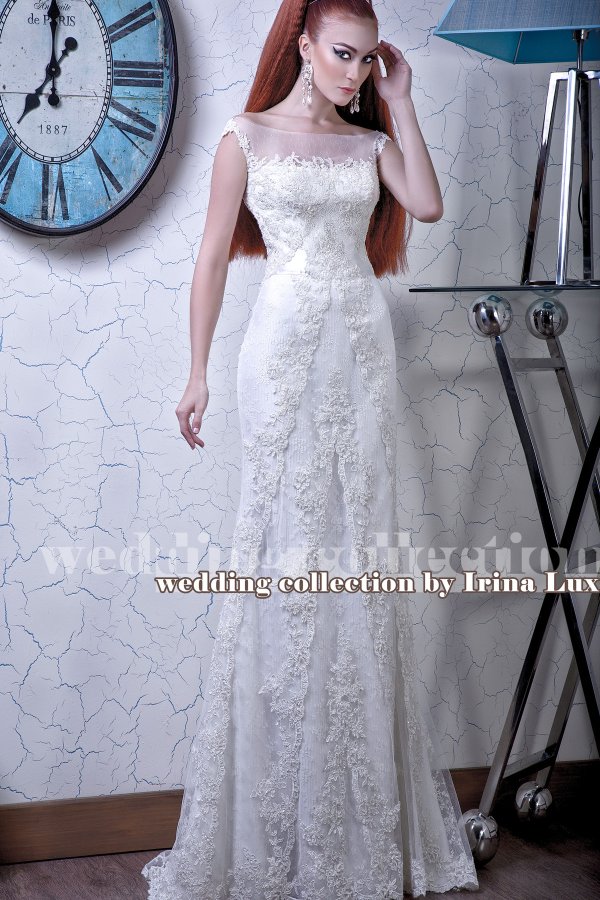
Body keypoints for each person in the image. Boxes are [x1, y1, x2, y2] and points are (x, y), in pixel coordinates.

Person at [142, 0, 480, 896]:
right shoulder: (244, 138)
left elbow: (428, 204)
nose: (354, 72)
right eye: (342, 54)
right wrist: (196, 373)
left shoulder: (370, 143)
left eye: (367, 60)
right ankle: (268, 823)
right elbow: (211, 257)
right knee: (281, 555)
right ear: (301, 44)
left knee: (359, 556)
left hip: (361, 353)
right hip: (282, 353)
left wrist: (400, 101)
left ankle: (359, 819)